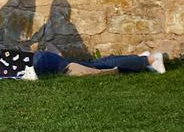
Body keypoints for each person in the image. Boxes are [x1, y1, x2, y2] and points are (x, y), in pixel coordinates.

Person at [26, 49, 165, 78]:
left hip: (43, 62)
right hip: (42, 58)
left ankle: (150, 60)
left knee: (96, 66)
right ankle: (142, 58)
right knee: (96, 63)